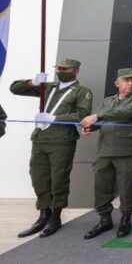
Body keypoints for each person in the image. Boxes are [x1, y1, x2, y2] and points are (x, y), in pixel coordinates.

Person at [11, 58, 93, 238]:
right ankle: (43, 214)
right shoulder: (48, 87)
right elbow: (15, 89)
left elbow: (82, 115)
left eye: (66, 69)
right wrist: (33, 82)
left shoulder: (82, 91)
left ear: (76, 71)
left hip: (62, 141)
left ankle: (55, 216)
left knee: (59, 178)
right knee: (38, 177)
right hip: (40, 138)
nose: (61, 71)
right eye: (59, 68)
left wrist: (55, 118)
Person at [80, 68, 132, 239]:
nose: (130, 83)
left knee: (127, 187)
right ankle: (104, 219)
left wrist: (96, 116)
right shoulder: (107, 100)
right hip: (104, 150)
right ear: (117, 83)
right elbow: (100, 122)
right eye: (127, 80)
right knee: (101, 186)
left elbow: (124, 112)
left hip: (126, 150)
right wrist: (89, 127)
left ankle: (126, 219)